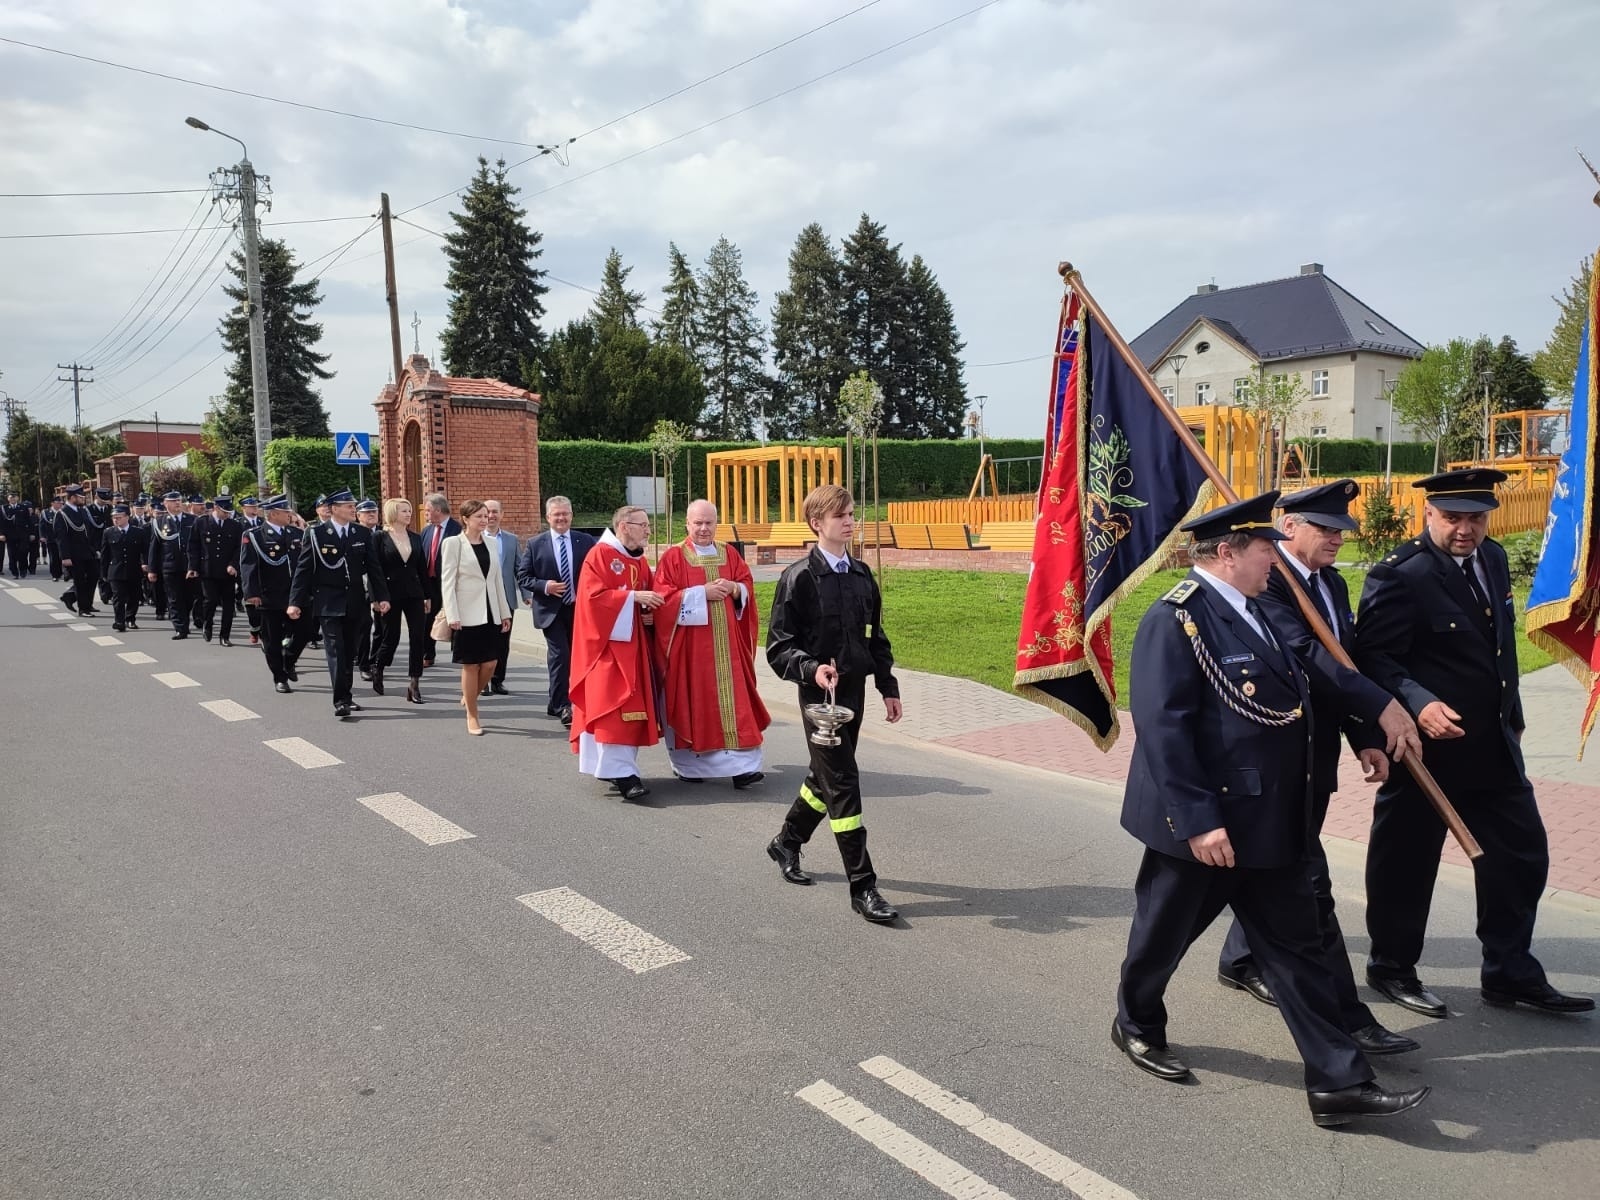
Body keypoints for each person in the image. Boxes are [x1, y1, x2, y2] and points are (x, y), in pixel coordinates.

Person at [1111, 491, 1429, 1127]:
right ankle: (1136, 1020)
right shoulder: (1177, 620)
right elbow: (1164, 728)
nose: (1274, 560)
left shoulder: (1256, 611)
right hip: (1204, 826)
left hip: (1268, 819)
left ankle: (1338, 1083)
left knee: (1297, 948)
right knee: (1161, 936)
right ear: (1227, 554)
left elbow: (1298, 706)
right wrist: (1199, 820)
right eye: (1265, 550)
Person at [1354, 468, 1594, 1016]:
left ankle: (1509, 972)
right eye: (1453, 518)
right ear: (1428, 515)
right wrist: (1419, 702)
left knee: (1521, 855)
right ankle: (1392, 967)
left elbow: (1498, 646)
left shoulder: (1493, 558)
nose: (1466, 529)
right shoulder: (1400, 575)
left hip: (1492, 745)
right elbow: (1374, 657)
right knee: (1406, 864)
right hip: (1426, 752)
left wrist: (1513, 710)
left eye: (1476, 518)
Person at [1208, 481, 1424, 1057]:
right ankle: (1342, 1018)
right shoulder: (1268, 586)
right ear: (1289, 528)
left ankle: (1239, 958)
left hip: (1314, 756)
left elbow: (1344, 663)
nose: (1334, 539)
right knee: (1305, 883)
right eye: (1324, 528)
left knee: (1278, 865)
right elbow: (1309, 658)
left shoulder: (1330, 583)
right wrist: (1383, 706)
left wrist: (1364, 737)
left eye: (1339, 530)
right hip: (1275, 755)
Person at [765, 484, 902, 924]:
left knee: (823, 777)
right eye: (840, 514)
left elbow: (874, 637)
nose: (849, 520)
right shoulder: (798, 577)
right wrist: (810, 669)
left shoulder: (862, 574)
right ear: (816, 523)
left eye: (850, 513)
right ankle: (863, 886)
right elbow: (778, 647)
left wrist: (888, 685)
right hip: (819, 698)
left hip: (855, 693)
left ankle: (787, 841)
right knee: (842, 782)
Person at [652, 499, 769, 788]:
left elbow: (747, 586)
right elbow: (662, 599)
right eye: (698, 523)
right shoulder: (674, 557)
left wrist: (735, 588)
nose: (704, 529)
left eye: (709, 523)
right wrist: (699, 593)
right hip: (692, 653)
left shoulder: (729, 553)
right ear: (687, 524)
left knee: (736, 705)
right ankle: (691, 767)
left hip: (729, 650)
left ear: (717, 524)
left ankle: (743, 769)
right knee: (695, 704)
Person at [568, 505, 661, 799]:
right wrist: (633, 597)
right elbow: (592, 600)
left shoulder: (638, 560)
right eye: (643, 525)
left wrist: (648, 613)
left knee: (628, 708)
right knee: (613, 707)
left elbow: (647, 598)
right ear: (623, 526)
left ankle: (614, 767)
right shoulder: (601, 555)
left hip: (634, 646)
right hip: (606, 649)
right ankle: (622, 775)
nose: (648, 530)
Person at [287, 488, 391, 719]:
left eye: (353, 505)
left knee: (350, 651)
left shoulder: (361, 533)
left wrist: (381, 597)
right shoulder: (316, 534)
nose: (353, 509)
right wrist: (295, 602)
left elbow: (374, 569)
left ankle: (347, 694)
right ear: (334, 509)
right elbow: (303, 570)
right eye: (348, 506)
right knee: (336, 651)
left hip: (356, 602)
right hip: (328, 602)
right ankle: (341, 700)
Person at [517, 495, 596, 727]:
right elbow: (523, 577)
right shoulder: (535, 544)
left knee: (577, 657)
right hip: (550, 611)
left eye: (565, 514)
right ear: (548, 517)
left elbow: (596, 571)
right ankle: (563, 705)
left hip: (579, 610)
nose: (561, 518)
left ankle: (559, 701)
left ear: (571, 516)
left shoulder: (586, 541)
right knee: (560, 655)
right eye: (556, 514)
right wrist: (545, 586)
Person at [441, 499, 513, 735]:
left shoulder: (491, 543)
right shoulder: (453, 544)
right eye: (479, 516)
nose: (485, 520)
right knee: (471, 665)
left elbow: (496, 581)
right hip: (466, 612)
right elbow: (448, 582)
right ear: (466, 519)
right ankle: (472, 714)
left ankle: (470, 695)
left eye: (486, 516)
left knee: (491, 662)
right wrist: (452, 613)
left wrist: (504, 612)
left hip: (491, 610)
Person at [240, 495, 304, 694]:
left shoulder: (296, 533)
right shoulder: (255, 535)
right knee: (272, 639)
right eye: (286, 512)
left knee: (306, 631)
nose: (290, 515)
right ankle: (280, 677)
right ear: (274, 514)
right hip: (269, 595)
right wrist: (251, 592)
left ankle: (289, 659)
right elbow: (248, 565)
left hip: (295, 593)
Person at [373, 497, 429, 704]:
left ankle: (414, 683)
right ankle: (378, 666)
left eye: (409, 510)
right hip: (389, 594)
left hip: (414, 593)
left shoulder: (415, 537)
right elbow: (374, 570)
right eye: (404, 510)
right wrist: (377, 598)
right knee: (391, 637)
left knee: (417, 637)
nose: (409, 514)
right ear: (393, 513)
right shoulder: (380, 537)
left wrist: (427, 595)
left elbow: (421, 568)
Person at [188, 495, 242, 645]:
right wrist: (193, 567)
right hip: (208, 570)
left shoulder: (235, 526)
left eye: (229, 512)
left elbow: (239, 548)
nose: (227, 515)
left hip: (228, 572)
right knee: (210, 600)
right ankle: (207, 624)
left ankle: (225, 635)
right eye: (224, 511)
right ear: (216, 508)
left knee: (228, 605)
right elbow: (193, 547)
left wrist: (234, 564)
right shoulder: (201, 522)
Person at [482, 499, 522, 696]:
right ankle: (483, 682)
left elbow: (519, 569)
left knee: (502, 643)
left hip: (505, 599)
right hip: (481, 600)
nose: (491, 515)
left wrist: (527, 595)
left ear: (502, 515)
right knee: (484, 641)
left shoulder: (511, 540)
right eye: (487, 512)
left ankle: (498, 680)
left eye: (495, 511)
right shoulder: (473, 538)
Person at [420, 493, 462, 668]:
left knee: (454, 617)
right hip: (430, 582)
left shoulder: (457, 529)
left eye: (428, 510)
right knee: (427, 618)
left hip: (450, 582)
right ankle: (427, 653)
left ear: (437, 510)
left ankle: (460, 654)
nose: (425, 514)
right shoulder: (427, 530)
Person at [99, 503, 149, 632]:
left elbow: (145, 551)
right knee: (118, 597)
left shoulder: (138, 532)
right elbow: (105, 555)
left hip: (134, 570)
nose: (116, 519)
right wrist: (103, 573)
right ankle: (119, 621)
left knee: (134, 596)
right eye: (114, 517)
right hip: (116, 570)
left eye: (119, 517)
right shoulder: (108, 532)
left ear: (127, 517)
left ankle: (130, 619)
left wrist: (145, 563)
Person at [55, 484, 102, 617]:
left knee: (94, 575)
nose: (83, 499)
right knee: (80, 581)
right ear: (73, 497)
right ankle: (83, 608)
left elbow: (89, 531)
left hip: (88, 551)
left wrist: (94, 549)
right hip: (74, 554)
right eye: (81, 497)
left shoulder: (82, 510)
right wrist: (65, 557)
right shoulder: (62, 514)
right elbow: (61, 538)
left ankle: (73, 597)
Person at [355, 499, 382, 680]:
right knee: (363, 626)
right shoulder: (354, 534)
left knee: (381, 628)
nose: (372, 515)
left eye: (374, 511)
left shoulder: (383, 534)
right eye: (367, 512)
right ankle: (364, 663)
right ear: (358, 516)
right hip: (361, 587)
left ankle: (375, 661)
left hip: (381, 587)